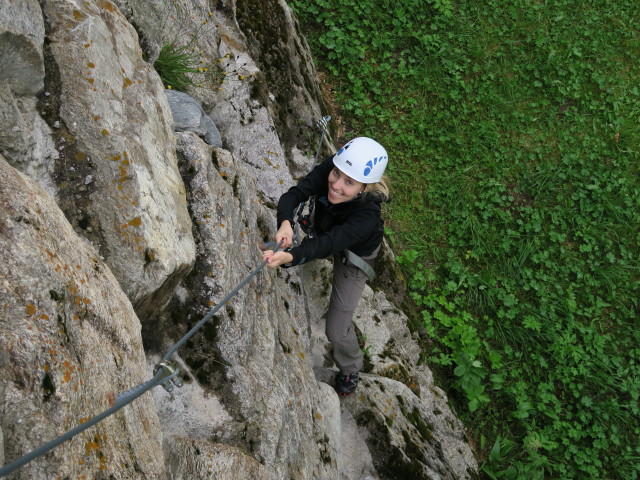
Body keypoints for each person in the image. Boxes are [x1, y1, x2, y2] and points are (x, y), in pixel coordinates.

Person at [261, 137, 390, 396]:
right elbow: (294, 195)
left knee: (336, 328)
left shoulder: (367, 216)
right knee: (320, 222)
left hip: (355, 256)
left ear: (365, 188)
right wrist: (285, 222)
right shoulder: (335, 167)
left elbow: (330, 244)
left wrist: (291, 257)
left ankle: (351, 367)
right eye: (336, 174)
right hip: (327, 228)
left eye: (349, 182)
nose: (336, 185)